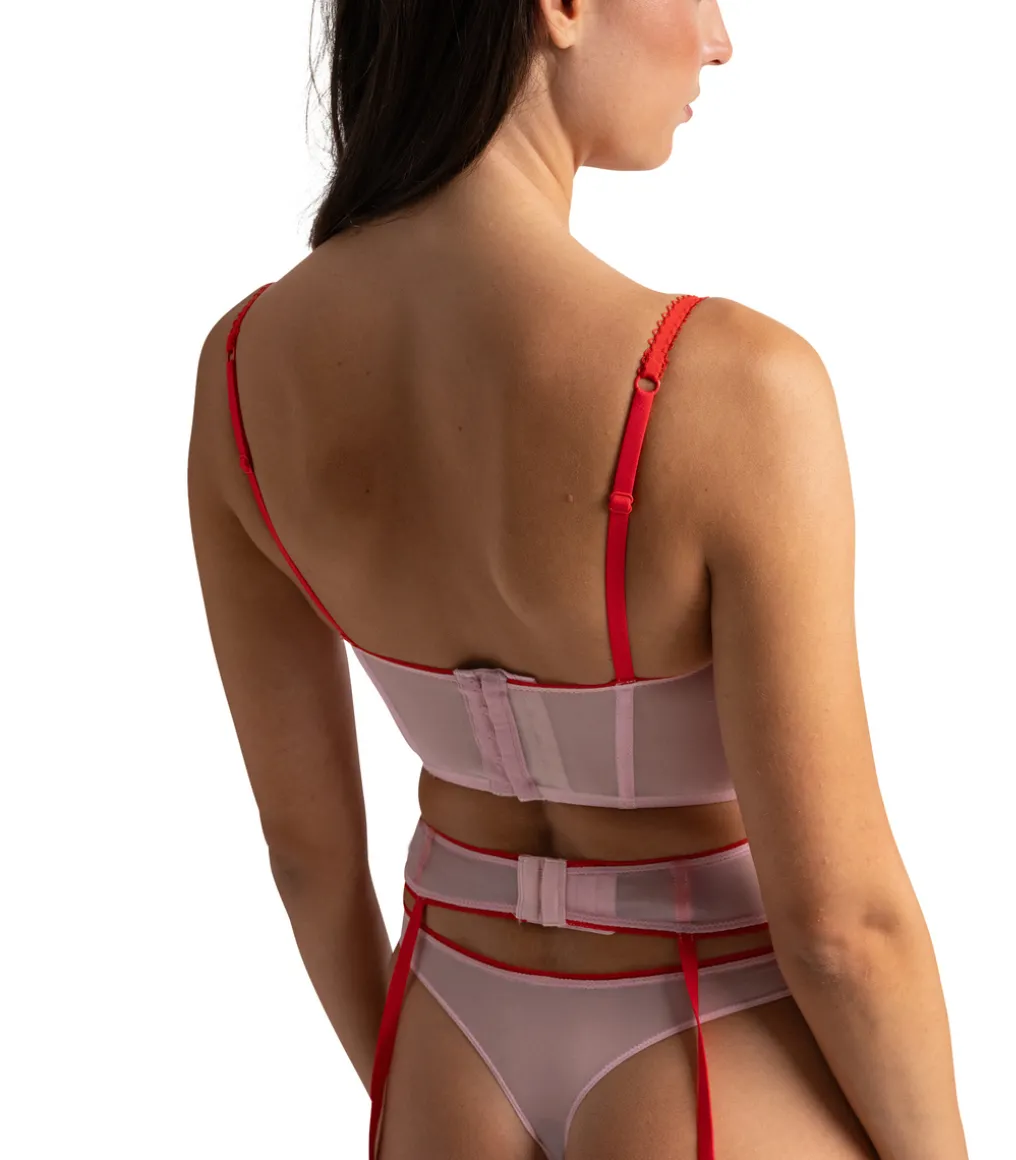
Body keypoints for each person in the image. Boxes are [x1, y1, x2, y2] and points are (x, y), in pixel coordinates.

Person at [188, 2, 969, 1158]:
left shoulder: (242, 373)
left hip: (446, 1049)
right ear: (556, 7)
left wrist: (402, 1085)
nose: (718, 37)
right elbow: (842, 927)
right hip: (708, 1052)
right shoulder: (730, 387)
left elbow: (307, 854)